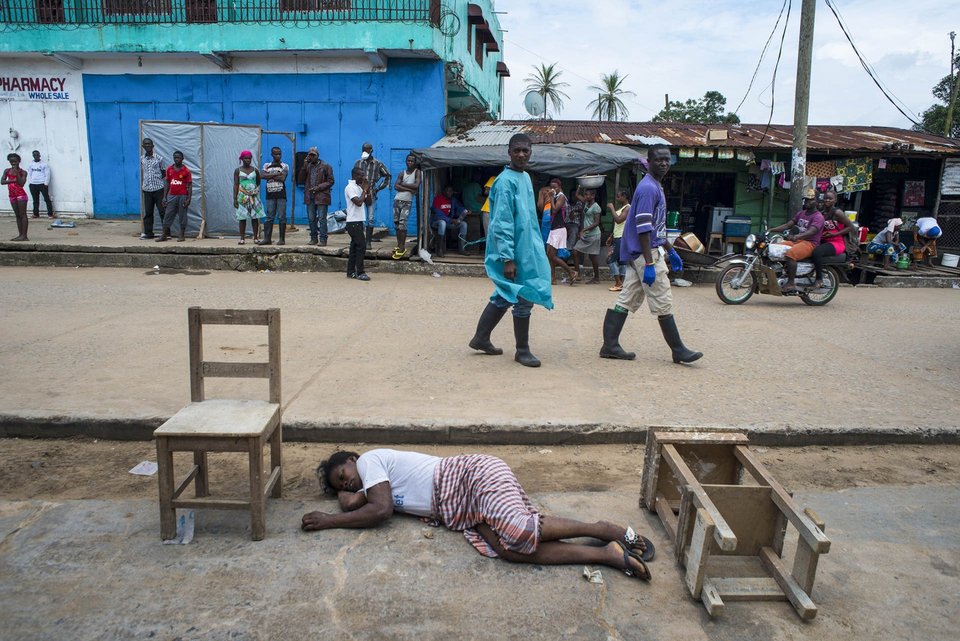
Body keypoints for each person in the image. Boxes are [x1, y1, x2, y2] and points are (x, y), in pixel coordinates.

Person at [302, 449, 654, 581]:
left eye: (344, 477)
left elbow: (380, 511)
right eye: (342, 487)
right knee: (508, 550)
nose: (348, 486)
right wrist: (348, 498)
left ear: (353, 460)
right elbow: (370, 502)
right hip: (460, 509)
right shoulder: (372, 486)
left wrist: (331, 518)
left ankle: (605, 528)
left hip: (470, 475)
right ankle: (605, 554)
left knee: (516, 531)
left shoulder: (370, 461)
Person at [599, 144, 702, 364]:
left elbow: (656, 227)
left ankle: (609, 345)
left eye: (667, 160)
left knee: (627, 298)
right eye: (658, 160)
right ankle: (678, 350)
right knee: (662, 298)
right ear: (649, 162)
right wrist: (648, 262)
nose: (663, 163)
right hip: (645, 253)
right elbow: (643, 228)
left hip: (644, 251)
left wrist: (671, 249)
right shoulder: (648, 188)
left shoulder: (655, 185)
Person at [468, 133, 553, 368]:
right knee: (523, 296)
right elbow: (502, 222)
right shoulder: (505, 181)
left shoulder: (525, 177)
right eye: (517, 150)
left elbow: (527, 216)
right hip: (513, 251)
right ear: (509, 152)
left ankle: (481, 338)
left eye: (526, 150)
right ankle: (522, 350)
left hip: (526, 247)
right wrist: (507, 258)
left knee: (506, 294)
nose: (521, 154)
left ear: (531, 152)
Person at [767, 186, 825, 293]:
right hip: (798, 241)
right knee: (773, 248)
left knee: (791, 254)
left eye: (810, 199)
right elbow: (788, 225)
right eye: (806, 199)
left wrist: (797, 236)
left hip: (810, 244)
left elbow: (811, 231)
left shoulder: (818, 217)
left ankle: (791, 283)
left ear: (816, 201)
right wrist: (771, 230)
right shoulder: (801, 213)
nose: (807, 201)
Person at [810, 190, 856, 288]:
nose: (827, 200)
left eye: (830, 199)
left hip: (836, 242)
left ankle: (819, 280)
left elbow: (850, 227)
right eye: (825, 198)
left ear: (835, 200)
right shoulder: (821, 212)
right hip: (823, 240)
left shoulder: (837, 212)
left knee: (817, 252)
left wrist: (833, 234)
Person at [353, 142, 391, 245]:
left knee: (370, 217)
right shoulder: (358, 163)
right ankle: (359, 240)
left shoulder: (378, 164)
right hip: (359, 193)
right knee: (358, 217)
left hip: (371, 193)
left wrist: (378, 188)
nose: (365, 152)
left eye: (367, 150)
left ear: (371, 151)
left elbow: (387, 175)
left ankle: (368, 241)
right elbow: (353, 176)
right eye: (363, 150)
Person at [298, 146, 334, 246]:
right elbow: (300, 179)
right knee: (311, 218)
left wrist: (318, 187)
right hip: (310, 196)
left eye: (314, 155)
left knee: (322, 218)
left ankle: (323, 239)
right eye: (310, 155)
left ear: (318, 156)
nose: (312, 157)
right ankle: (313, 238)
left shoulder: (326, 166)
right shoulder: (307, 166)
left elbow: (331, 181)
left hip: (322, 196)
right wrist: (304, 166)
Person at [344, 166, 372, 281]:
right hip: (353, 222)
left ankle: (350, 272)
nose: (363, 177)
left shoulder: (359, 187)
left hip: (359, 221)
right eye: (361, 175)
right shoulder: (350, 187)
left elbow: (368, 202)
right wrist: (364, 190)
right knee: (361, 246)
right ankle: (360, 272)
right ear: (354, 176)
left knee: (354, 247)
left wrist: (367, 190)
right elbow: (358, 203)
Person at [391, 152, 421, 260]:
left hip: (407, 202)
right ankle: (399, 245)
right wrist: (410, 189)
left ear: (415, 162)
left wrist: (402, 184)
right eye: (408, 160)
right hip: (397, 200)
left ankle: (402, 247)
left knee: (402, 224)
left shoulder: (417, 172)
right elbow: (395, 186)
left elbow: (416, 185)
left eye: (412, 161)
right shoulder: (401, 173)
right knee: (396, 224)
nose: (410, 163)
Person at [158, 150, 192, 242]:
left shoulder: (186, 171)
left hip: (182, 196)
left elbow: (189, 185)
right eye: (175, 157)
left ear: (182, 159)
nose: (176, 159)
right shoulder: (169, 169)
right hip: (171, 196)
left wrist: (188, 198)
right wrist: (165, 197)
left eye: (178, 158)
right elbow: (167, 184)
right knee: (168, 215)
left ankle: (181, 235)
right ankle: (164, 234)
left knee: (182, 216)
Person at [259, 147, 289, 246]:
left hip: (281, 195)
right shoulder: (266, 165)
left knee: (281, 217)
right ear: (272, 154)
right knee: (269, 217)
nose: (278, 156)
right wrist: (277, 174)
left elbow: (283, 178)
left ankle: (281, 239)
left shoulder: (285, 165)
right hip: (270, 195)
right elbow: (262, 176)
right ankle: (267, 238)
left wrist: (270, 175)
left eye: (279, 154)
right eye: (276, 154)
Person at [233, 150, 264, 245]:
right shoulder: (238, 170)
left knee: (255, 217)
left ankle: (255, 237)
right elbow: (236, 184)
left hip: (253, 196)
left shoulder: (255, 170)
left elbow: (258, 182)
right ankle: (242, 238)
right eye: (245, 158)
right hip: (242, 196)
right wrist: (235, 199)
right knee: (242, 218)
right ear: (242, 159)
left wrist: (254, 191)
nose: (247, 160)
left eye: (249, 158)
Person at [572, 188, 602, 284]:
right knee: (575, 251)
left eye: (588, 195)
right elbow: (577, 194)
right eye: (585, 195)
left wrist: (584, 229)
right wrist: (580, 186)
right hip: (586, 234)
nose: (586, 196)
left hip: (594, 235)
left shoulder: (596, 207)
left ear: (593, 196)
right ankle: (577, 275)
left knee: (592, 257)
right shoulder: (586, 203)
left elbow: (597, 223)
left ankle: (596, 277)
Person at [430, 184, 469, 257]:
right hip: (436, 222)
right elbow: (438, 215)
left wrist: (465, 211)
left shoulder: (453, 200)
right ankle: (439, 250)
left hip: (448, 222)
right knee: (442, 223)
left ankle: (462, 249)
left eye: (451, 191)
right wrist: (451, 220)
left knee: (464, 224)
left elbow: (459, 207)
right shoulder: (438, 199)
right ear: (444, 191)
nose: (450, 193)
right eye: (449, 191)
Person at [140, 138, 166, 240]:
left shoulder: (159, 158)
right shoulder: (142, 159)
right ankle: (148, 233)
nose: (147, 146)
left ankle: (166, 233)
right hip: (147, 190)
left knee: (162, 211)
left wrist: (156, 180)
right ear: (143, 147)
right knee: (148, 212)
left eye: (149, 144)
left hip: (159, 189)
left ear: (153, 146)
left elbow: (163, 173)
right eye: (145, 144)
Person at [606, 189, 630, 292]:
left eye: (619, 196)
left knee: (611, 259)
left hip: (622, 237)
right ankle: (621, 283)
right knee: (622, 261)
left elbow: (619, 220)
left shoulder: (628, 208)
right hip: (618, 236)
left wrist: (612, 209)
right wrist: (612, 235)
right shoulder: (623, 208)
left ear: (624, 197)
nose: (617, 198)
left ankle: (618, 282)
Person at [3, 153, 29, 241]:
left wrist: (17, 173)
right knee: (17, 215)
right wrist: (13, 180)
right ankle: (20, 234)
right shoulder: (7, 171)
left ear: (19, 161)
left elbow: (21, 183)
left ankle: (24, 235)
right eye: (11, 162)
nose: (13, 163)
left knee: (23, 215)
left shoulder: (23, 172)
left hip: (21, 194)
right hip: (12, 195)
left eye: (15, 161)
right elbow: (2, 181)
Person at [27, 150, 53, 219]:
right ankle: (36, 214)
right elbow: (29, 174)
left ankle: (50, 214)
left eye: (37, 155)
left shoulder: (44, 164)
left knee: (46, 199)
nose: (36, 156)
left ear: (39, 155)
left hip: (42, 184)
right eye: (34, 155)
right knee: (35, 200)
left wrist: (46, 183)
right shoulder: (31, 164)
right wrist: (30, 182)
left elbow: (48, 174)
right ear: (33, 156)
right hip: (33, 184)